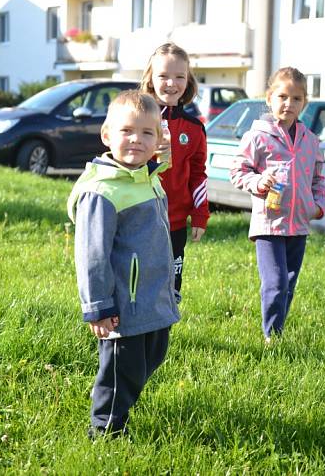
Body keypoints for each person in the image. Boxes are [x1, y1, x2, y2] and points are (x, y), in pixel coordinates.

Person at [67, 90, 179, 438]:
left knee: (153, 354)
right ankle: (106, 429)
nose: (136, 140)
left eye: (147, 133)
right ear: (107, 136)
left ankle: (117, 398)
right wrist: (99, 307)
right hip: (123, 305)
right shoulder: (102, 192)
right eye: (126, 131)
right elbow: (92, 254)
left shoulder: (146, 176)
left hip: (153, 297)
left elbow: (163, 160)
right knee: (122, 368)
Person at [229, 67, 325, 342]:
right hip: (269, 223)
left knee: (289, 284)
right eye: (282, 96)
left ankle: (278, 329)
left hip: (299, 224)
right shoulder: (258, 136)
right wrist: (259, 182)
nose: (289, 104)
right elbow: (238, 171)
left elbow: (318, 180)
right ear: (270, 98)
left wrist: (318, 206)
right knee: (276, 283)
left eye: (296, 98)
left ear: (304, 102)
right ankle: (271, 336)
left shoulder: (310, 141)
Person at [139, 42, 209, 302]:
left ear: (188, 80)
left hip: (176, 222)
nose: (171, 83)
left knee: (170, 289)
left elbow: (198, 174)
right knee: (141, 282)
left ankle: (160, 339)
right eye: (164, 76)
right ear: (150, 79)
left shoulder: (194, 128)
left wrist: (200, 215)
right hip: (140, 217)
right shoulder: (139, 120)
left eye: (179, 76)